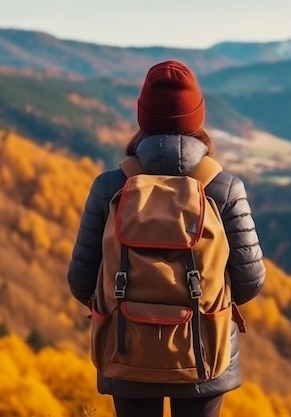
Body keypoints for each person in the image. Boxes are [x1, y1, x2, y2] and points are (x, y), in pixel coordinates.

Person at [67, 60, 266, 417]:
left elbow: (81, 281)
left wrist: (125, 310)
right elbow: (250, 282)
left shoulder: (110, 186)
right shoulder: (223, 188)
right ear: (197, 117)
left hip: (127, 353)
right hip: (206, 355)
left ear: (143, 116)